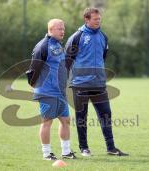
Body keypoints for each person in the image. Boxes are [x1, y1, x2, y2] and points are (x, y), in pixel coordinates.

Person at [65, 8, 128, 156]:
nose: (98, 21)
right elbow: (67, 62)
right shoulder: (76, 37)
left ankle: (111, 148)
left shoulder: (103, 37)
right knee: (82, 118)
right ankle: (84, 148)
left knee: (106, 115)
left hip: (99, 84)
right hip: (80, 84)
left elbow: (102, 57)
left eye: (99, 19)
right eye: (95, 19)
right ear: (86, 20)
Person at [27, 19, 76, 160]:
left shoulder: (58, 45)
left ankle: (66, 152)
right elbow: (34, 67)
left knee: (65, 120)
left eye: (63, 28)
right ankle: (46, 153)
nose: (63, 31)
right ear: (51, 30)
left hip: (60, 91)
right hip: (47, 91)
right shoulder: (43, 46)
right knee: (47, 121)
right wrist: (35, 84)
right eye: (59, 28)